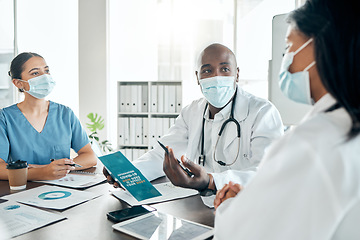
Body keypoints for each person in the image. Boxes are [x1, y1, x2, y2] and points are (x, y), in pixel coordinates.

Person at [214, 0, 360, 239]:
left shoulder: (311, 143)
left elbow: (243, 233)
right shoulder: (345, 129)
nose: (286, 58)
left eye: (290, 46)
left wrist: (230, 207)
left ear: (320, 46)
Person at [105, 43, 283, 201]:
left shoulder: (262, 112)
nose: (216, 76)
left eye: (224, 69)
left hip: (247, 206)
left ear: (237, 74)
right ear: (197, 77)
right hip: (200, 207)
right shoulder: (192, 111)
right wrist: (129, 174)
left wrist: (211, 181)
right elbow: (164, 155)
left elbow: (268, 173)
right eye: (207, 71)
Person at [0, 52, 97, 181]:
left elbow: (89, 156)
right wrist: (43, 172)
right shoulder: (5, 118)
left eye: (46, 71)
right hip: (24, 190)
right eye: (35, 73)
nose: (44, 77)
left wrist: (62, 168)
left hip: (63, 189)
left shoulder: (65, 114)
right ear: (18, 83)